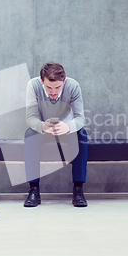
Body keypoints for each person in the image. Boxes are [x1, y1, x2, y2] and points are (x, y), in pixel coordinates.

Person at [23, 62, 88, 207]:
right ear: (42, 81)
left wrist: (68, 126)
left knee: (82, 135)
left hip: (66, 129)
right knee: (29, 135)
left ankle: (78, 189)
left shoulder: (73, 86)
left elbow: (80, 118)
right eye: (48, 87)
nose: (53, 92)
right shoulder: (33, 85)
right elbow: (30, 117)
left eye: (58, 87)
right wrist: (42, 126)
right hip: (45, 128)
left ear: (63, 81)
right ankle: (34, 189)